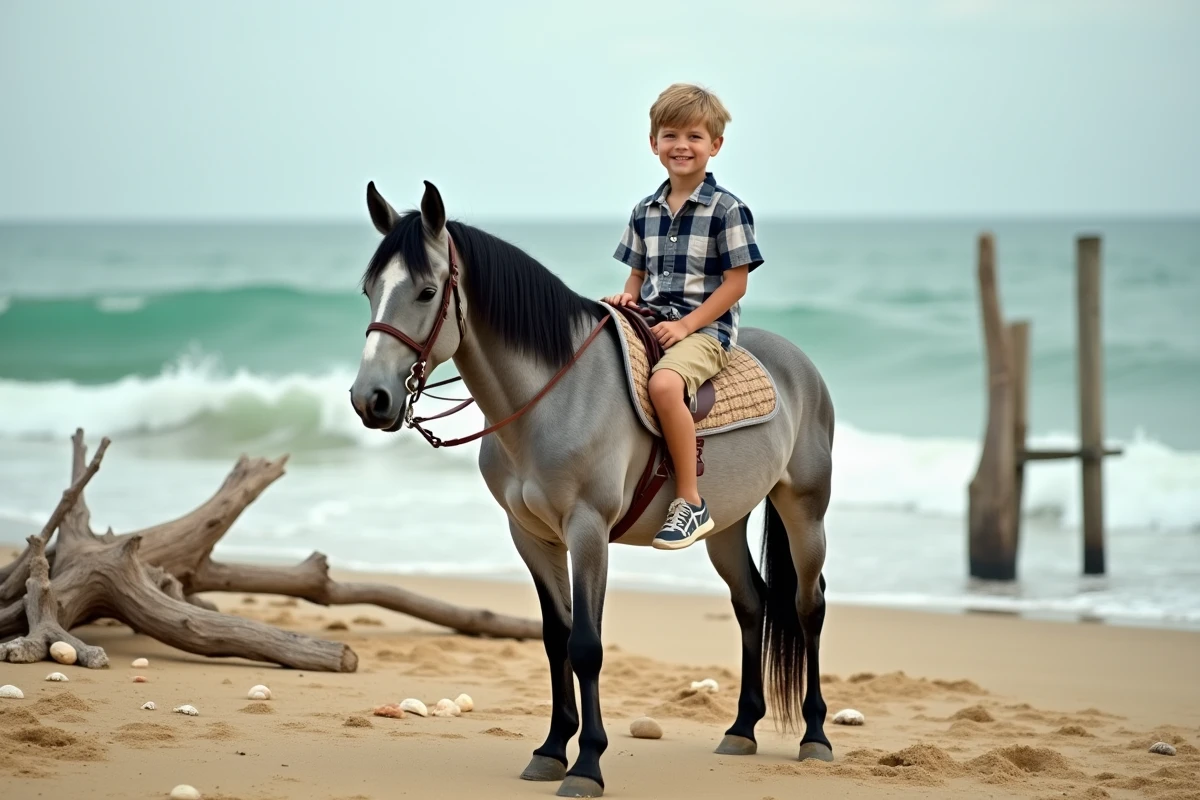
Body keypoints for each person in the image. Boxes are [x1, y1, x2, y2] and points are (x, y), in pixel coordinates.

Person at [605, 82, 764, 551]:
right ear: (653, 144)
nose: (682, 146)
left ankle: (690, 502)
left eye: (695, 136)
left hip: (706, 329)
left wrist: (686, 327)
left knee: (664, 385)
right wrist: (628, 297)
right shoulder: (644, 210)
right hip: (652, 317)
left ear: (715, 145)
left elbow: (736, 284)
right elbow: (637, 273)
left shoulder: (728, 210)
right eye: (671, 135)